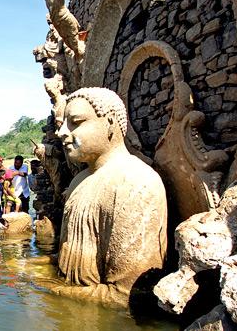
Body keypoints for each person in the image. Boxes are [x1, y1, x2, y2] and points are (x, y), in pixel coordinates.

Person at [52, 87, 167, 305]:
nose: (61, 133)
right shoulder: (79, 180)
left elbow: (127, 296)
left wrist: (47, 289)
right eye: (63, 124)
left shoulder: (135, 182)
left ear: (110, 123)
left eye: (75, 122)